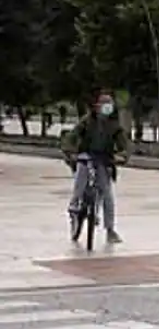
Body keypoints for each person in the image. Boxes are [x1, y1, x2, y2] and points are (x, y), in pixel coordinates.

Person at [60, 91, 130, 245]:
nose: (107, 107)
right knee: (80, 182)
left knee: (107, 194)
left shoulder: (115, 125)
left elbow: (124, 145)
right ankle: (74, 206)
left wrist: (122, 155)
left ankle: (110, 229)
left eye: (109, 105)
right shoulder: (87, 121)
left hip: (104, 160)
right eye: (104, 104)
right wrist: (69, 151)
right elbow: (72, 136)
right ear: (97, 107)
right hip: (85, 156)